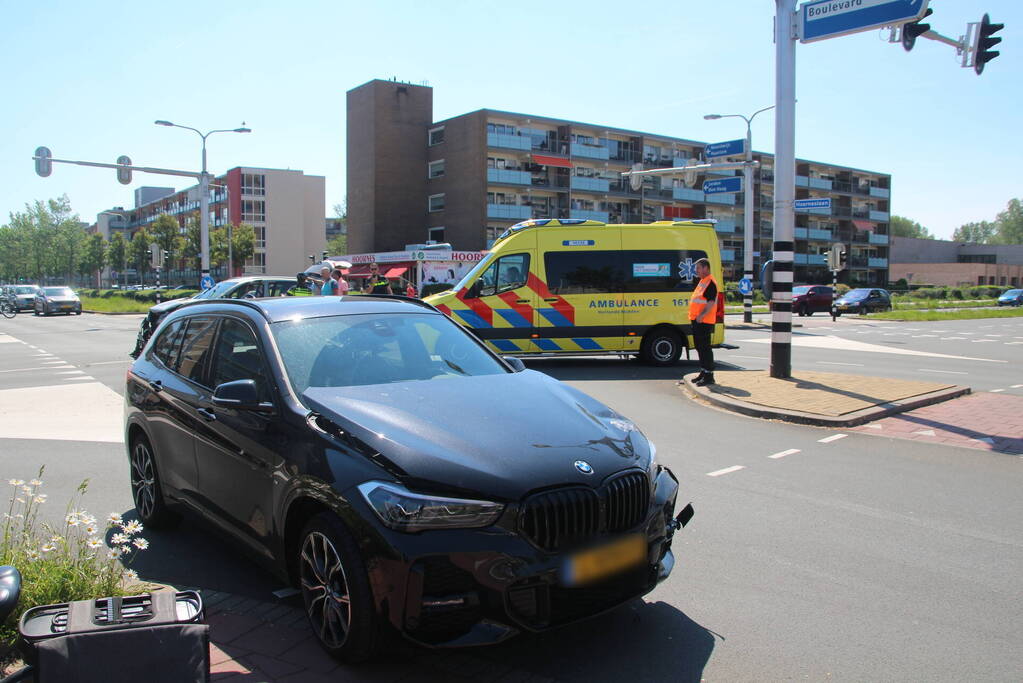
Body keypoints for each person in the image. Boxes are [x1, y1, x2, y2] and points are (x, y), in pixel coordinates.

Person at [688, 258, 719, 386]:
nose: (696, 271)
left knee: (705, 348)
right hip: (697, 320)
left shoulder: (710, 282)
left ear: (706, 268)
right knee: (699, 347)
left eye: (698, 268)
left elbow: (711, 302)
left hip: (704, 321)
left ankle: (709, 376)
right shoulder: (702, 281)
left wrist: (701, 315)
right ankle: (703, 372)